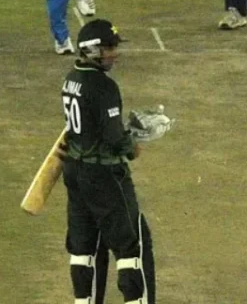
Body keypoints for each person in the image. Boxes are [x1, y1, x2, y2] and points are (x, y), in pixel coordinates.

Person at [60, 19, 156, 304]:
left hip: (74, 171)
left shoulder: (70, 79)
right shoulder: (104, 86)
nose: (114, 53)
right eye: (109, 48)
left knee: (82, 246)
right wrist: (131, 147)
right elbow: (115, 138)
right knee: (131, 246)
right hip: (103, 175)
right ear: (92, 51)